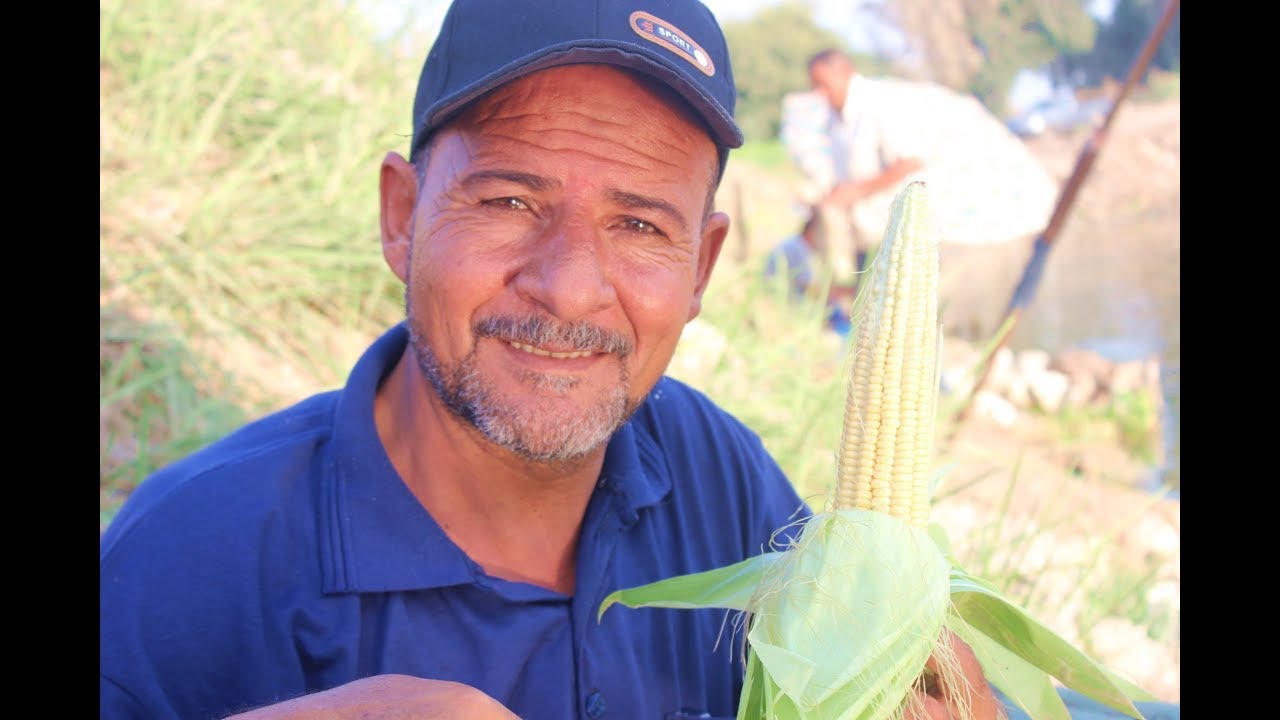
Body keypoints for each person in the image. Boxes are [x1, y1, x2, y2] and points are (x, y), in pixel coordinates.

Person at [98, 2, 1068, 719]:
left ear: (701, 268)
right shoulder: (187, 564)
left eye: (639, 225)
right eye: (508, 201)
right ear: (401, 217)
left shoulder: (715, 475)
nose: (568, 289)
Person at [780, 49, 924, 294]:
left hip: (890, 231)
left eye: (824, 84)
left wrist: (856, 191)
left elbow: (911, 162)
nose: (820, 93)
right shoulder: (832, 116)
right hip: (860, 233)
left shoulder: (879, 103)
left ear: (845, 72)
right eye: (815, 86)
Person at [762, 208, 855, 338]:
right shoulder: (797, 248)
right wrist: (843, 292)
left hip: (788, 299)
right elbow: (811, 290)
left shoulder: (801, 247)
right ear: (812, 231)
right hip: (783, 303)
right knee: (841, 322)